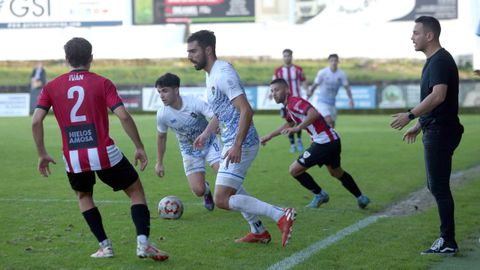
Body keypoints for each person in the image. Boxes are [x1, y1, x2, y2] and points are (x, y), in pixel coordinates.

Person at [31, 37, 168, 261]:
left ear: (67, 59)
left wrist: (42, 153)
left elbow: (36, 121)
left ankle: (105, 246)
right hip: (104, 152)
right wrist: (139, 146)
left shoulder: (51, 86)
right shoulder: (102, 82)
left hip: (73, 156)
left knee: (84, 196)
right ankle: (143, 243)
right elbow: (122, 115)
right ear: (91, 58)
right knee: (135, 192)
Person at [187, 30, 296, 247]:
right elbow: (222, 111)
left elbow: (246, 110)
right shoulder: (210, 74)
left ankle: (281, 215)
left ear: (208, 50)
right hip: (231, 141)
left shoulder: (223, 73)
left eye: (193, 51)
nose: (190, 56)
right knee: (231, 188)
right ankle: (258, 230)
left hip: (242, 143)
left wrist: (237, 144)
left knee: (221, 198)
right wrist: (207, 132)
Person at [390, 16, 463, 255]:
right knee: (436, 186)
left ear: (429, 35)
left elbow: (438, 96)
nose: (412, 37)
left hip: (441, 131)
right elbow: (434, 101)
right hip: (436, 127)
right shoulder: (434, 61)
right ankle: (447, 239)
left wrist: (410, 116)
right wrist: (419, 124)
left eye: (416, 33)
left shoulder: (440, 60)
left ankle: (448, 240)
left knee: (439, 187)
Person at [262, 78, 370, 209]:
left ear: (286, 90)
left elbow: (313, 113)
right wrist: (270, 136)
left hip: (323, 142)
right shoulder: (288, 107)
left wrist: (298, 128)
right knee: (336, 172)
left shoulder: (293, 102)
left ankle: (320, 195)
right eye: (272, 91)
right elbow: (288, 123)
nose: (274, 93)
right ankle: (361, 197)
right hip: (333, 140)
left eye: (277, 90)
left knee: (294, 170)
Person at [155, 72, 220, 211]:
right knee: (198, 190)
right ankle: (206, 191)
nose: (161, 95)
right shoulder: (162, 114)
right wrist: (159, 162)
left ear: (176, 90)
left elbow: (216, 117)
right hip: (189, 151)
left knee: (223, 174)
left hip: (209, 143)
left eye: (165, 91)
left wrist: (206, 133)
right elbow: (161, 137)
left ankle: (237, 202)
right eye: (159, 91)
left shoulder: (194, 102)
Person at [272, 49, 307, 153]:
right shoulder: (278, 71)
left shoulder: (298, 69)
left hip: (297, 99)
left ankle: (299, 140)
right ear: (283, 57)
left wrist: (307, 90)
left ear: (292, 56)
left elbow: (303, 80)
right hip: (285, 101)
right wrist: (271, 94)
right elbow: (274, 83)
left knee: (299, 120)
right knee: (290, 122)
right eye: (285, 56)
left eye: (289, 56)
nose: (287, 57)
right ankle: (292, 144)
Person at [307, 54, 354, 128]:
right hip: (322, 101)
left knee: (332, 124)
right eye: (332, 61)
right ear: (329, 62)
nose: (334, 62)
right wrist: (310, 91)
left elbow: (347, 88)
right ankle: (324, 137)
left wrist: (351, 99)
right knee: (328, 120)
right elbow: (315, 84)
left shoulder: (341, 74)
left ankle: (331, 139)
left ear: (338, 62)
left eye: (335, 60)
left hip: (332, 102)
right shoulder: (322, 72)